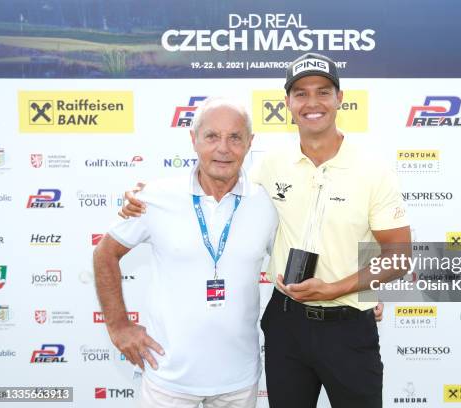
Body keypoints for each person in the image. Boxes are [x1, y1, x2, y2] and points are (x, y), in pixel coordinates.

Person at [121, 53, 411, 408]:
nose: (312, 102)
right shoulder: (270, 164)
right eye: (301, 94)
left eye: (323, 91)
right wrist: (140, 195)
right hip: (286, 324)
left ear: (340, 98)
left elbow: (399, 256)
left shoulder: (373, 170)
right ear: (288, 103)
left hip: (348, 325)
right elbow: (217, 177)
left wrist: (339, 287)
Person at [93, 98, 277, 408]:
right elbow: (104, 254)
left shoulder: (267, 202)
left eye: (235, 137)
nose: (224, 148)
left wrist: (366, 294)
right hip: (168, 379)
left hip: (239, 380)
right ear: (193, 140)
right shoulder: (154, 198)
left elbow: (308, 257)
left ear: (249, 143)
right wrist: (118, 326)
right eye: (212, 136)